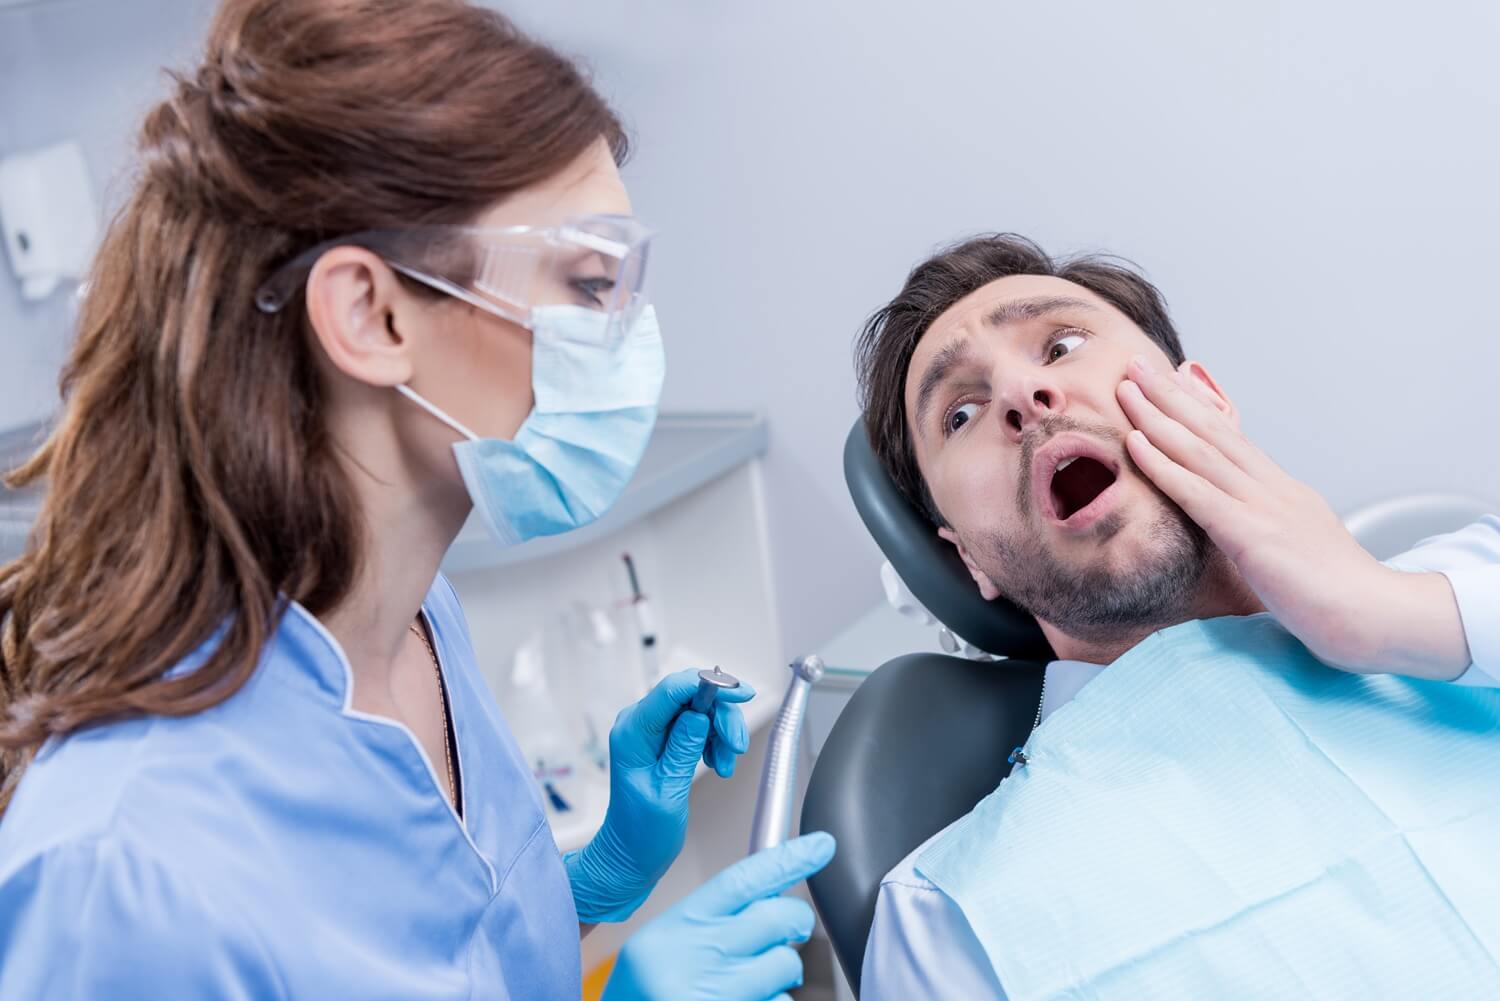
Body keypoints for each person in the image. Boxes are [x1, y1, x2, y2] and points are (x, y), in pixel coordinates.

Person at [0, 2, 832, 999]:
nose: (625, 338)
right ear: (371, 313)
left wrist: (593, 878)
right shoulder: (122, 872)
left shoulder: (414, 625)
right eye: (587, 280)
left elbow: (419, 963)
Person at [850, 233, 1499, 998]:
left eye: (1060, 345)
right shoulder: (953, 918)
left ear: (1204, 401)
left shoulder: (1466, 587)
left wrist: (1387, 613)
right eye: (960, 413)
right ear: (970, 563)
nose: (1024, 398)